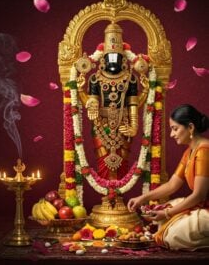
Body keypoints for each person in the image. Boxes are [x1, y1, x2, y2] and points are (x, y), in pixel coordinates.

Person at [127, 104, 209, 250]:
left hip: (206, 208)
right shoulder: (191, 151)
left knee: (172, 237)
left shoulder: (204, 151)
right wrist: (142, 198)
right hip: (202, 206)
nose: (171, 134)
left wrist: (166, 213)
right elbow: (172, 185)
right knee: (162, 220)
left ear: (190, 128)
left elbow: (198, 196)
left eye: (175, 128)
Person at [77, 22, 149, 181]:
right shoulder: (95, 78)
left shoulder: (130, 79)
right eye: (109, 57)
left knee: (122, 158)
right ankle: (106, 195)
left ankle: (118, 195)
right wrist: (82, 91)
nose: (113, 61)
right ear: (103, 58)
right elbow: (92, 105)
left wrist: (134, 127)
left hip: (124, 124)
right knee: (102, 157)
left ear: (123, 58)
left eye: (116, 57)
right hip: (100, 124)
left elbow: (133, 105)